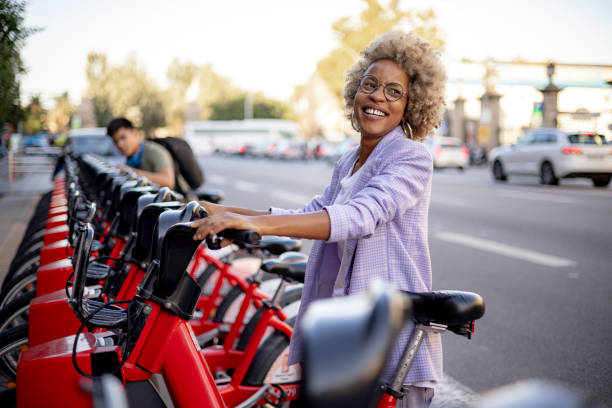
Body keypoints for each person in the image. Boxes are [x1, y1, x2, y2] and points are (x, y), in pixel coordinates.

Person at [191, 31, 446, 407]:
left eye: (394, 91)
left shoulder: (410, 157)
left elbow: (359, 217)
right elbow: (310, 214)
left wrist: (254, 225)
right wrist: (228, 215)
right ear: (354, 93)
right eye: (369, 85)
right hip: (344, 329)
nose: (377, 96)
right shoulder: (349, 160)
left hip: (387, 336)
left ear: (412, 105)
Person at [106, 117, 188, 191]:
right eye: (115, 141)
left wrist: (132, 172)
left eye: (123, 137)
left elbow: (168, 182)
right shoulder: (130, 158)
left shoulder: (154, 151)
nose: (120, 144)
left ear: (134, 133)